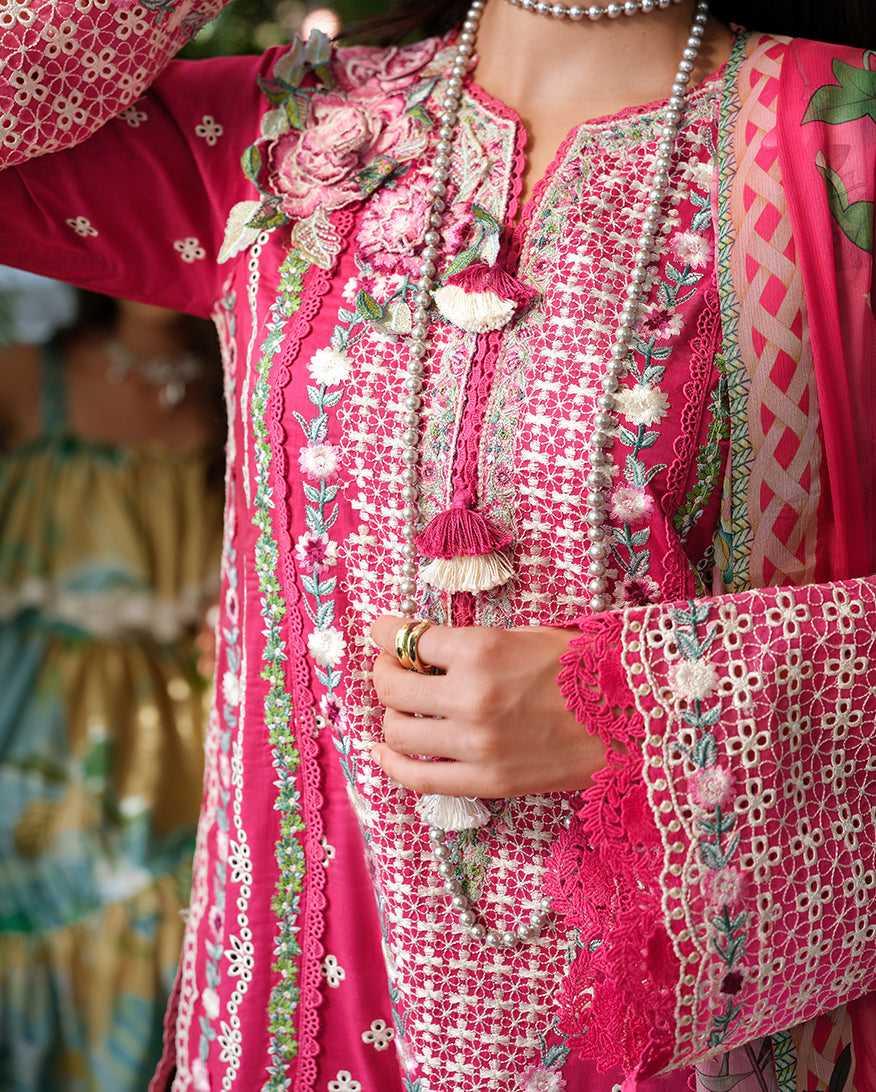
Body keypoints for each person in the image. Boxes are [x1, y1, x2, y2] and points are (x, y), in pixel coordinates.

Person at [0, 1, 874, 1090]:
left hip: (685, 1030)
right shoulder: (286, 131)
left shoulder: (843, 137)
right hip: (309, 1025)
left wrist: (651, 699)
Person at [0, 288, 225, 1090]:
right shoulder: (25, 375)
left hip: (186, 718)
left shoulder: (244, 389)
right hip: (34, 711)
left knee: (162, 919)